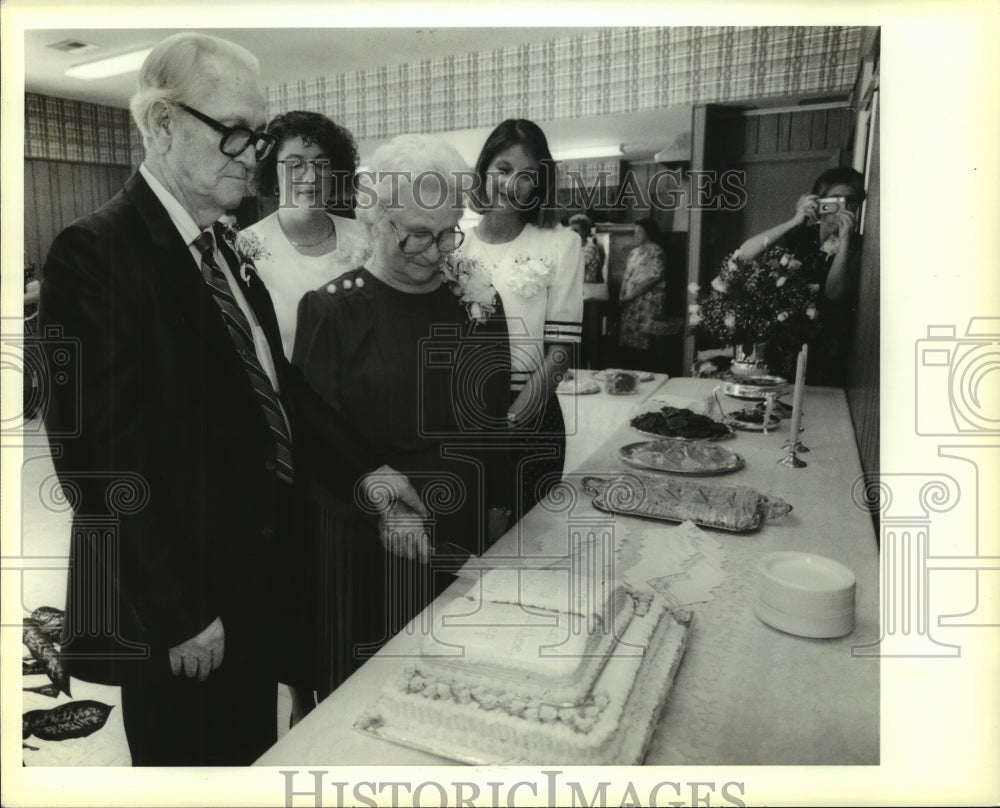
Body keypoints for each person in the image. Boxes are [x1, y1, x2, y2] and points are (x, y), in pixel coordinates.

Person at [37, 32, 422, 765]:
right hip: (181, 606)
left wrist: (365, 471)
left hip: (255, 581)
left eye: (260, 131)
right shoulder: (95, 254)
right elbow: (96, 459)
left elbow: (282, 392)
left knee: (249, 753)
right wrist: (180, 612)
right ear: (162, 125)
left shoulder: (225, 247)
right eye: (237, 131)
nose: (254, 152)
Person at [292, 134, 513, 698]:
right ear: (375, 219)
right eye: (417, 233)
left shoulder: (478, 303)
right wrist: (381, 506)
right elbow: (313, 439)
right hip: (366, 543)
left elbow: (492, 420)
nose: (436, 251)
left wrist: (495, 517)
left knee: (457, 693)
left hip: (458, 530)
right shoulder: (333, 309)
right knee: (366, 708)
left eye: (447, 233)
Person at [459, 119, 584, 519]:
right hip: (462, 414)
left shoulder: (561, 242)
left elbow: (561, 352)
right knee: (467, 543)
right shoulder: (454, 243)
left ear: (540, 184)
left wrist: (515, 420)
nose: (512, 184)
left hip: (532, 412)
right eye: (503, 169)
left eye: (527, 176)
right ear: (484, 170)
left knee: (526, 545)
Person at [245, 110, 368, 359]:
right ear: (271, 170)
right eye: (295, 164)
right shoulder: (246, 247)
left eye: (322, 164)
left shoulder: (364, 237)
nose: (311, 177)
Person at [730, 166, 865, 385]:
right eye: (835, 201)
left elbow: (834, 293)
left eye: (852, 201)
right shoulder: (800, 235)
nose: (844, 208)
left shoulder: (858, 247)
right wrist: (794, 221)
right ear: (819, 204)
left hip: (827, 350)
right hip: (783, 343)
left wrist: (845, 240)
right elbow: (743, 255)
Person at [617, 217, 671, 372]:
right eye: (635, 232)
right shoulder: (634, 252)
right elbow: (627, 275)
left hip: (647, 302)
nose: (636, 235)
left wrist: (632, 294)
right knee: (629, 341)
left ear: (648, 233)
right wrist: (621, 294)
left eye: (639, 232)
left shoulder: (656, 251)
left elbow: (654, 277)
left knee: (645, 340)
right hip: (630, 303)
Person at [569, 213, 607, 369]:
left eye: (576, 231)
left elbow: (577, 268)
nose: (573, 234)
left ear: (585, 232)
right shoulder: (576, 247)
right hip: (580, 297)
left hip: (589, 298)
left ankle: (589, 368)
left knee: (589, 338)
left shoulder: (590, 247)